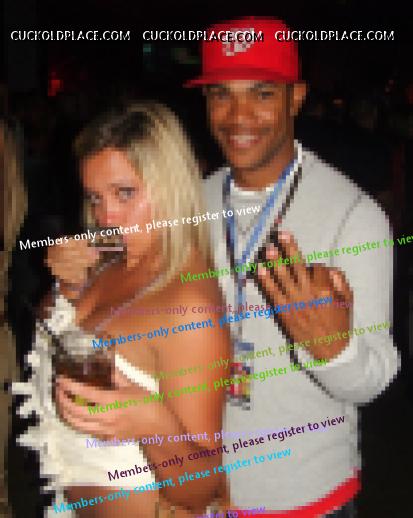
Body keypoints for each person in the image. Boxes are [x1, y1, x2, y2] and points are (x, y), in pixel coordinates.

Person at [185, 17, 400, 517]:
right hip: (205, 489)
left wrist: (335, 350)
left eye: (262, 94)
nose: (239, 116)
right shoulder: (193, 200)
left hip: (308, 495)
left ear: (295, 97)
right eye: (221, 94)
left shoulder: (354, 214)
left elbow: (376, 376)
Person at [13, 102, 230, 517]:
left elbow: (199, 492)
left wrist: (150, 420)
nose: (106, 216)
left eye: (125, 193)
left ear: (171, 186)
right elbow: (51, 333)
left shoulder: (189, 309)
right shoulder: (110, 259)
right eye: (95, 198)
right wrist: (66, 286)